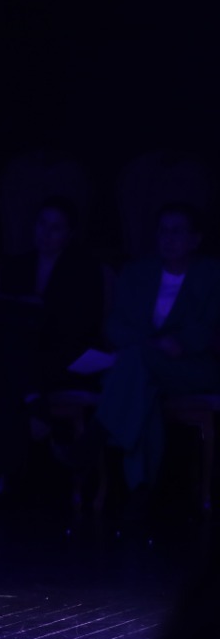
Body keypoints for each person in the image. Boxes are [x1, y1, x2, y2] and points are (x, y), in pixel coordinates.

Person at [94, 202, 220, 504]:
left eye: (177, 231)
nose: (168, 238)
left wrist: (180, 342)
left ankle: (95, 436)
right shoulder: (137, 273)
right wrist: (151, 345)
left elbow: (209, 325)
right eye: (163, 231)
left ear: (195, 239)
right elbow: (115, 324)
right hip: (145, 365)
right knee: (141, 387)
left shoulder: (212, 274)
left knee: (130, 369)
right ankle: (140, 489)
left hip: (191, 367)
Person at [0, 196, 106, 498]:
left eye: (56, 227)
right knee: (11, 355)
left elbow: (83, 324)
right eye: (42, 224)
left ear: (69, 233)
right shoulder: (17, 264)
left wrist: (39, 314)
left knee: (11, 369)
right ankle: (35, 405)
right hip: (21, 356)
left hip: (61, 356)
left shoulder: (84, 268)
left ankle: (6, 475)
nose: (46, 233)